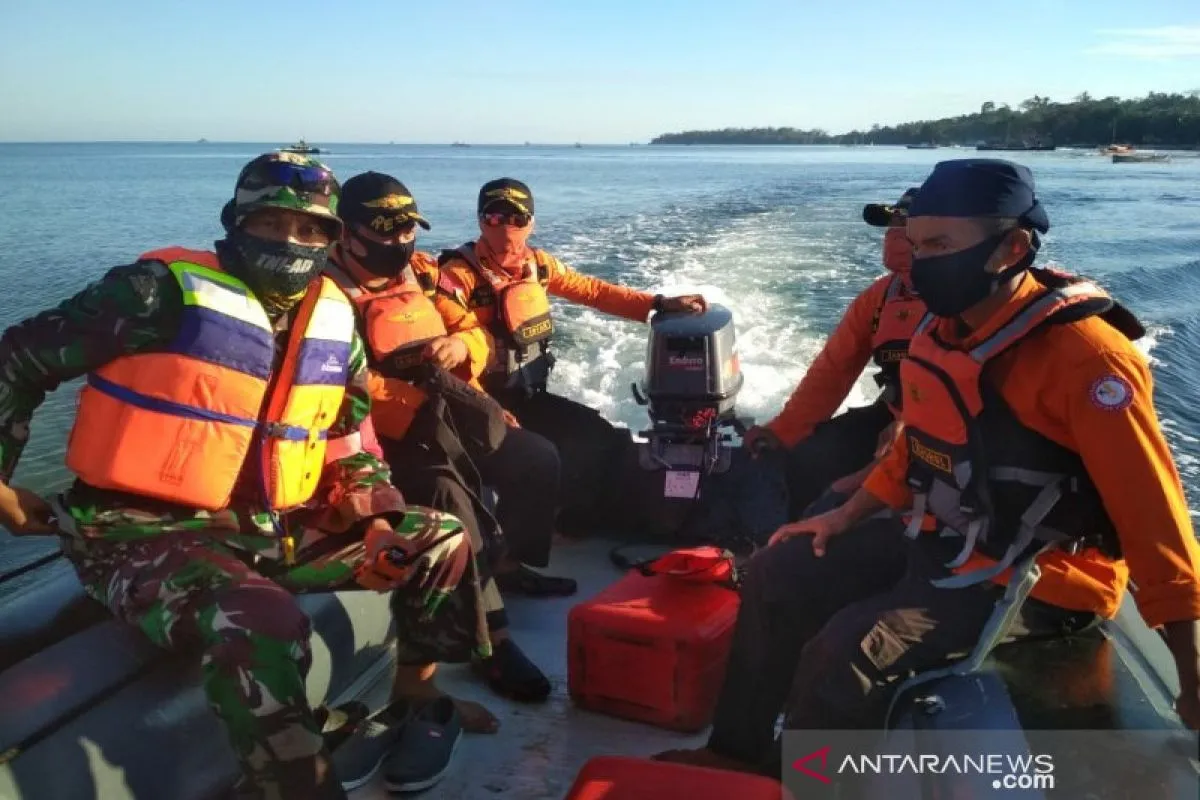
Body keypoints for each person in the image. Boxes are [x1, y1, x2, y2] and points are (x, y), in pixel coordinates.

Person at [657, 158, 1200, 774]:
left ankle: (803, 784)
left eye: (940, 245)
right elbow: (915, 446)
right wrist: (843, 516)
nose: (919, 263)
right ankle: (734, 753)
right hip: (945, 539)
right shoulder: (939, 334)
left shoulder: (1090, 361)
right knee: (777, 568)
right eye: (915, 245)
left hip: (1040, 576)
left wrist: (1190, 673)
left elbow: (1154, 518)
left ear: (1012, 248)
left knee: (849, 650)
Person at [0, 152, 498, 800]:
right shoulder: (154, 293)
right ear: (236, 223)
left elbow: (347, 441)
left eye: (310, 229)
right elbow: (19, 358)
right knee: (261, 617)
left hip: (271, 526)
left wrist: (375, 516)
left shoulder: (333, 320)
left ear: (331, 237)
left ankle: (415, 692)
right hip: (135, 534)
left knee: (440, 538)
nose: (291, 241)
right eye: (270, 223)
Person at [324, 171, 562, 710]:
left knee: (535, 457)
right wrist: (406, 400)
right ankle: (492, 641)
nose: (399, 240)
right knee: (450, 497)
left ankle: (506, 566)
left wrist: (461, 348)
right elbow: (333, 381)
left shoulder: (424, 276)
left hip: (445, 408)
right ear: (346, 231)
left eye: (407, 228)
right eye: (385, 229)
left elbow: (473, 331)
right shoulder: (324, 296)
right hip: (384, 437)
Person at [435, 178, 707, 528]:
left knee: (600, 438)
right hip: (475, 407)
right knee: (533, 458)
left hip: (526, 397)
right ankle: (507, 546)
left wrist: (656, 303)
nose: (506, 228)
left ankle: (572, 521)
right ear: (480, 220)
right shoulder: (457, 277)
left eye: (517, 218)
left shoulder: (538, 266)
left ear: (532, 223)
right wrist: (489, 409)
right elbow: (454, 362)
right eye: (495, 217)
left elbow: (593, 291)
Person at [743, 188, 925, 518]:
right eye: (892, 224)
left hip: (957, 427)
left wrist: (912, 427)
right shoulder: (880, 298)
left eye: (905, 223)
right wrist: (782, 431)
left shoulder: (969, 299)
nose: (894, 234)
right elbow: (833, 371)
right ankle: (792, 536)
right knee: (812, 457)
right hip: (894, 412)